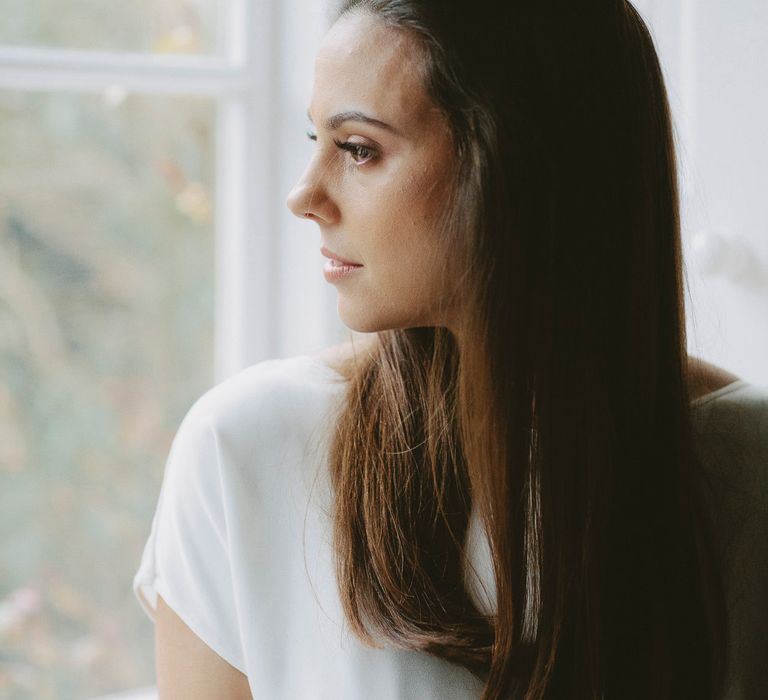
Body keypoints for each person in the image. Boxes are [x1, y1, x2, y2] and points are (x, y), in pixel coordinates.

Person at [132, 1, 768, 698]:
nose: (304, 195)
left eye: (358, 149)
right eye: (316, 138)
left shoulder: (748, 467)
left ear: (520, 165)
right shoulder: (246, 447)